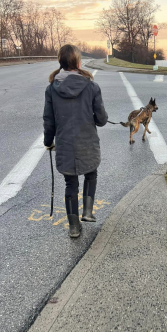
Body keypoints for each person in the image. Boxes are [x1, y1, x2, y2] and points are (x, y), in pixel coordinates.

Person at [43, 44, 108, 238]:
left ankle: (73, 227)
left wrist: (48, 142)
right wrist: (94, 117)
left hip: (65, 145)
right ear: (78, 63)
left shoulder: (51, 89)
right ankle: (87, 211)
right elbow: (102, 119)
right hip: (87, 141)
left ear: (60, 62)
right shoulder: (92, 86)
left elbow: (49, 120)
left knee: (70, 184)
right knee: (91, 173)